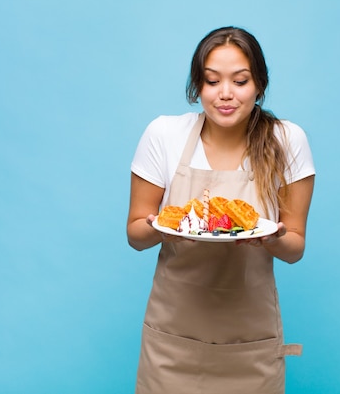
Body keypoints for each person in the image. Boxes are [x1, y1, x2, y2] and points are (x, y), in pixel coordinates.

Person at [126, 26, 315, 394]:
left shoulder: (287, 140)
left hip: (250, 347)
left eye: (240, 81)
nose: (225, 94)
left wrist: (271, 239)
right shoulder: (165, 135)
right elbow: (135, 233)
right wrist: (160, 227)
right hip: (171, 344)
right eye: (212, 81)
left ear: (259, 84)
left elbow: (295, 247)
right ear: (197, 87)